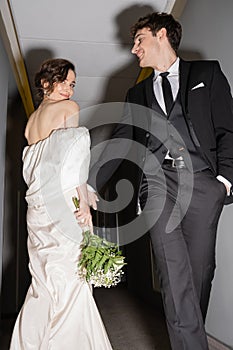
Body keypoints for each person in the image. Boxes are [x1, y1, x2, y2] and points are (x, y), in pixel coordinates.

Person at [89, 12, 233, 350]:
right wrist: (93, 183)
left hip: (203, 182)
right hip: (157, 184)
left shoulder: (206, 74)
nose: (134, 49)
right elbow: (120, 140)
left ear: (161, 35)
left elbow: (228, 129)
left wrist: (224, 181)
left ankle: (189, 334)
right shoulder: (137, 94)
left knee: (199, 272)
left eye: (139, 40)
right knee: (172, 274)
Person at [9, 58, 112, 349]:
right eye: (64, 82)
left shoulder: (30, 124)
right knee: (70, 277)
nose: (69, 89)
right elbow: (74, 161)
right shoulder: (70, 108)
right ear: (45, 83)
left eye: (72, 84)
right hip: (64, 206)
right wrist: (84, 202)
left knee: (43, 280)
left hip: (38, 211)